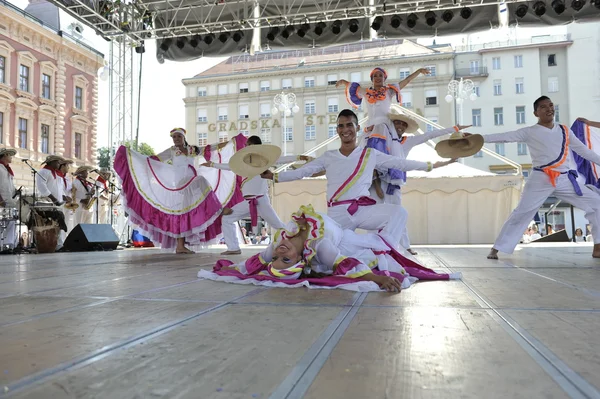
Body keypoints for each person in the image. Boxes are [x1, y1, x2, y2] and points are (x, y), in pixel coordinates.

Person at [261, 109, 455, 249]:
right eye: (341, 126)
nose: (345, 129)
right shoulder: (328, 157)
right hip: (338, 214)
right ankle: (365, 246)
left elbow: (399, 163)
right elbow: (303, 171)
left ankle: (385, 251)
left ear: (357, 128)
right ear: (337, 130)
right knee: (329, 251)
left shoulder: (369, 154)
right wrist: (274, 176)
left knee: (399, 213)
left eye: (349, 125)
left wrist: (432, 165)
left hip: (362, 210)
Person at [214, 204, 459, 292]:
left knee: (396, 219)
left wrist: (229, 269)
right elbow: (345, 264)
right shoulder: (320, 247)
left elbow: (251, 264)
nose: (279, 253)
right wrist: (375, 278)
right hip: (352, 244)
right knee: (387, 248)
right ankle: (397, 251)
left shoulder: (279, 240)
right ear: (300, 260)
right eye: (285, 260)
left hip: (344, 225)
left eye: (277, 258)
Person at [484, 96, 600, 259]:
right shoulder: (530, 131)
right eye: (544, 107)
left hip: (565, 179)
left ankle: (598, 247)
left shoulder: (564, 130)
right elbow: (505, 136)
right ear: (536, 112)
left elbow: (583, 151)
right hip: (540, 178)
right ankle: (497, 248)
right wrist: (479, 139)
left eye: (551, 105)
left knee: (596, 203)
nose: (549, 109)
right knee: (522, 212)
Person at [114, 127, 225, 253]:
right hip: (181, 184)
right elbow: (153, 159)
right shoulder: (172, 151)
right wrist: (134, 156)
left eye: (179, 136)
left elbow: (210, 148)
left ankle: (180, 246)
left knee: (184, 214)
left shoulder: (192, 149)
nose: (176, 139)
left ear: (184, 137)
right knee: (201, 180)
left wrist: (228, 142)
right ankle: (217, 208)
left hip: (191, 183)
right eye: (174, 137)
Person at [375, 107, 468, 254]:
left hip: (394, 184)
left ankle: (405, 246)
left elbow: (429, 135)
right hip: (379, 182)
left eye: (403, 125)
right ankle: (378, 246)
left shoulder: (407, 141)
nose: (400, 126)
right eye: (397, 123)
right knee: (377, 216)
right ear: (392, 124)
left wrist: (453, 129)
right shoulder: (381, 139)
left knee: (399, 214)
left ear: (406, 129)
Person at [203, 135, 311, 255]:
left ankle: (299, 242)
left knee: (278, 225)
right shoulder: (243, 162)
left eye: (248, 145)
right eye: (246, 145)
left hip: (261, 201)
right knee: (227, 218)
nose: (246, 147)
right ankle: (233, 248)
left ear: (255, 146)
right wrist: (213, 165)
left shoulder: (263, 160)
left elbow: (281, 159)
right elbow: (230, 166)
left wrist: (298, 157)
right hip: (248, 202)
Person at [337, 67, 430, 197]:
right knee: (364, 153)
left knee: (381, 150)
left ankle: (382, 181)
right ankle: (372, 182)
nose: (378, 78)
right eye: (375, 76)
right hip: (371, 126)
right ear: (372, 79)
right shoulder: (366, 92)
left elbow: (406, 81)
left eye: (380, 75)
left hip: (384, 126)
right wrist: (343, 82)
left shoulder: (389, 91)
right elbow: (353, 86)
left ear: (384, 78)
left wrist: (418, 71)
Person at [0, 148, 18, 249]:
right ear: (5, 155)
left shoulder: (7, 169)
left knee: (11, 222)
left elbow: (9, 186)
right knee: (1, 224)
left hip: (9, 201)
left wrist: (16, 191)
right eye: (10, 155)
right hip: (2, 201)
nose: (11, 157)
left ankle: (9, 244)